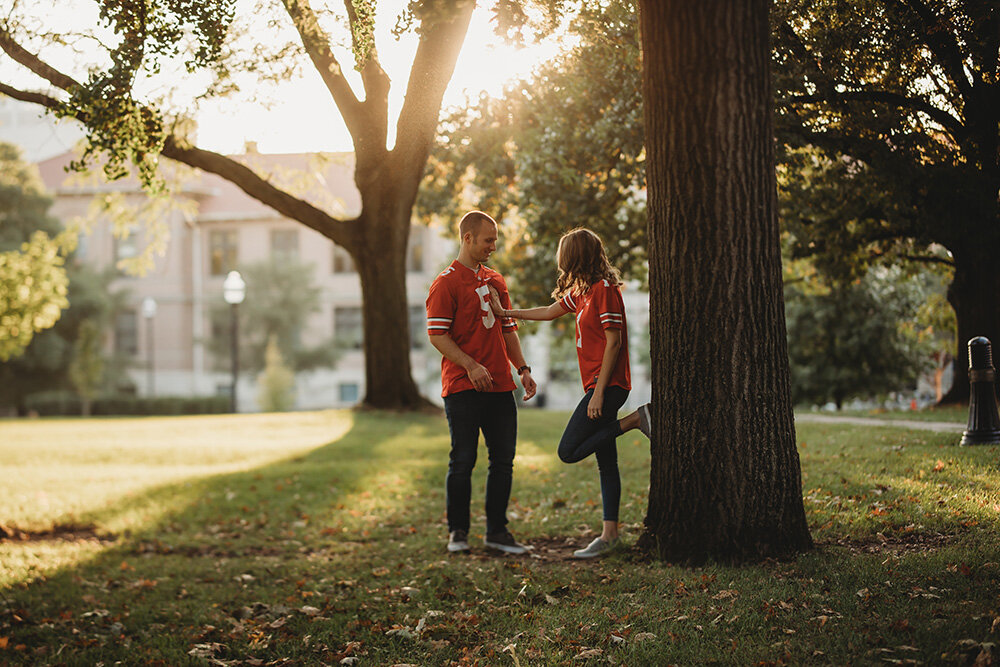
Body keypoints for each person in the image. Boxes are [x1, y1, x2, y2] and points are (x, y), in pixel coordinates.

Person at [489, 227, 651, 558]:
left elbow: (614, 341)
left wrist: (599, 393)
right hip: (599, 385)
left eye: (564, 256)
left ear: (575, 256)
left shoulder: (604, 290)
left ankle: (636, 420)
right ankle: (610, 535)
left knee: (568, 450)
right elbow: (549, 313)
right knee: (607, 462)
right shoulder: (583, 292)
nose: (561, 263)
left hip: (608, 385)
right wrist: (507, 313)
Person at [426, 210, 538, 555]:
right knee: (463, 459)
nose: (493, 246)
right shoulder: (445, 283)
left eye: (495, 240)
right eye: (488, 240)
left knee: (503, 460)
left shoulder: (496, 280)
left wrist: (522, 368)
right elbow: (437, 335)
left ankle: (497, 532)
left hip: (502, 386)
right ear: (468, 238)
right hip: (463, 386)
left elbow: (507, 329)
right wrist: (471, 365)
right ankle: (458, 533)